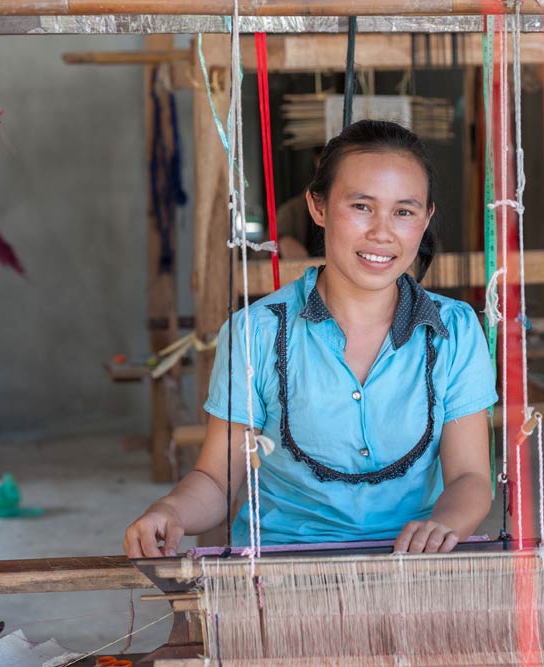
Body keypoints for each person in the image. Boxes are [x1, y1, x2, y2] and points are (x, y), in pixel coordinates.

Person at [124, 120, 498, 557]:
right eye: (361, 206)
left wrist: (442, 524)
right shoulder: (256, 333)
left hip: (411, 570)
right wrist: (170, 510)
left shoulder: (455, 331)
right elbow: (216, 478)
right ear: (318, 208)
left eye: (404, 211)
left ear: (426, 218)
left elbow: (470, 477)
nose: (382, 232)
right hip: (283, 576)